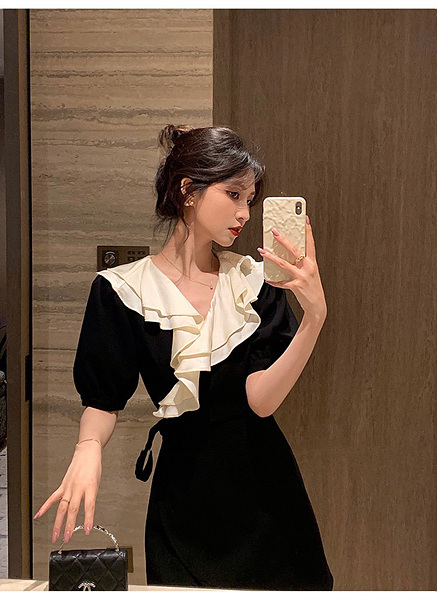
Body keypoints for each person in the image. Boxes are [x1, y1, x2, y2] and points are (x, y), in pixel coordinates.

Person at [33, 124, 334, 591]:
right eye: (233, 194)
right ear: (188, 190)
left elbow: (260, 401)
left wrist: (314, 318)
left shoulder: (255, 282)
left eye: (250, 199)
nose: (244, 212)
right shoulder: (123, 290)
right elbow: (103, 399)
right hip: (184, 497)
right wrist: (87, 448)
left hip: (266, 495)